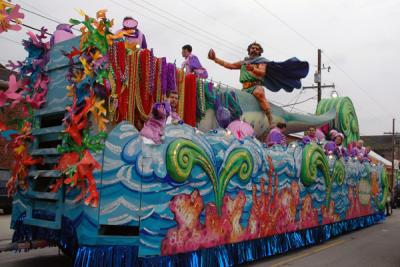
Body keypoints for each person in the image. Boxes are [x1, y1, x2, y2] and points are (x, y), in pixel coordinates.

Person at [208, 42, 309, 127]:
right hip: (244, 88)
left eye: (257, 49)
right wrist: (215, 59)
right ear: (249, 50)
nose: (254, 50)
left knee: (259, 93)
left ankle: (270, 118)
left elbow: (262, 73)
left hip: (255, 86)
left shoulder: (261, 62)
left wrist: (253, 69)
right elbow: (229, 65)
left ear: (260, 52)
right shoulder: (244, 62)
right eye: (253, 48)